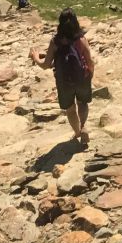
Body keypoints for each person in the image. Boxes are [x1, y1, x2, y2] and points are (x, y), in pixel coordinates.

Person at [31, 8, 94, 146]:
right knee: (82, 103)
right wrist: (90, 75)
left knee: (70, 108)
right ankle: (84, 126)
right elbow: (89, 61)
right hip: (82, 77)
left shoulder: (55, 41)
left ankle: (77, 132)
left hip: (64, 81)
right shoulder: (81, 39)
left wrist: (36, 58)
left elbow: (46, 65)